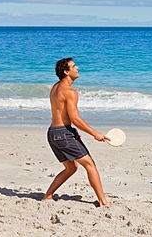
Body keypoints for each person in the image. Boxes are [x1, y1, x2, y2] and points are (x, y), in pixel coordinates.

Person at [42, 57, 110, 207]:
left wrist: (71, 131)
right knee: (90, 164)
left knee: (71, 168)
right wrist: (95, 133)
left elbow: (63, 116)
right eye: (73, 66)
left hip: (53, 133)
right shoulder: (70, 92)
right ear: (66, 72)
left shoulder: (55, 87)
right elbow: (75, 118)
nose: (77, 68)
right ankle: (103, 202)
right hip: (62, 134)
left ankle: (48, 196)